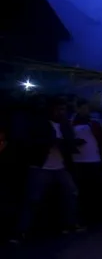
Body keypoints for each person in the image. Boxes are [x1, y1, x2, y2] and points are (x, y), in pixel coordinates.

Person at [13, 99, 82, 241]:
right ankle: (21, 231)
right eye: (58, 109)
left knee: (71, 193)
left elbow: (68, 142)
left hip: (60, 166)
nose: (61, 112)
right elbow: (29, 142)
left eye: (63, 109)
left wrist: (71, 145)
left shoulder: (64, 125)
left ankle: (68, 224)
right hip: (40, 167)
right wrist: (51, 142)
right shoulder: (39, 124)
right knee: (33, 199)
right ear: (50, 110)